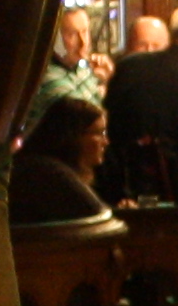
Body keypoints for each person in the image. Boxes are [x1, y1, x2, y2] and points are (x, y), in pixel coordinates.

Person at [105, 9, 178, 203]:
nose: (149, 51)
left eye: (156, 45)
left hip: (122, 182)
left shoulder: (128, 67)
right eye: (142, 45)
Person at [12, 95, 117, 230]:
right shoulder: (49, 173)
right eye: (99, 133)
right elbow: (101, 220)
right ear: (73, 136)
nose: (106, 142)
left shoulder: (45, 167)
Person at [25, 7, 105, 130]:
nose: (83, 42)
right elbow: (93, 122)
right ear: (54, 39)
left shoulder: (80, 66)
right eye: (72, 35)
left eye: (84, 32)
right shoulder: (46, 77)